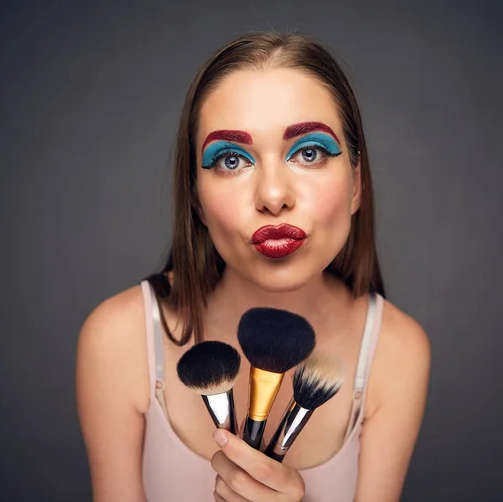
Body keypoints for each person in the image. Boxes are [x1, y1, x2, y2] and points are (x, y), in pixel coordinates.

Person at [76, 31, 430, 502]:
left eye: (309, 153)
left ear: (357, 183)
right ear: (197, 201)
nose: (272, 195)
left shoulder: (395, 350)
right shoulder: (118, 339)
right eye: (231, 159)